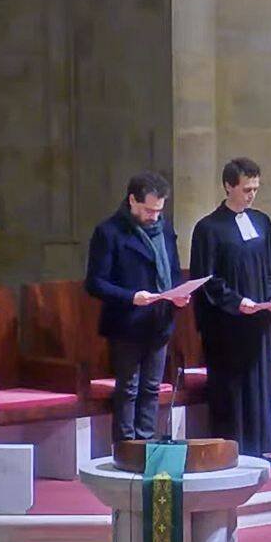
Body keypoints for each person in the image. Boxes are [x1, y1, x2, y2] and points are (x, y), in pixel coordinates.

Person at [190, 158, 271, 464]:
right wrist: (236, 302)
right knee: (232, 389)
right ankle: (230, 450)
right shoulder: (209, 228)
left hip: (257, 321)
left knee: (259, 386)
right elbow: (206, 279)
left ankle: (258, 449)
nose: (251, 195)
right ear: (228, 186)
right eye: (246, 189)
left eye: (255, 189)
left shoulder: (261, 222)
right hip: (226, 325)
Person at [85, 172, 188, 442]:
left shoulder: (165, 229)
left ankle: (147, 444)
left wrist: (178, 294)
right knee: (128, 389)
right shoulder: (110, 232)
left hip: (159, 320)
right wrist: (132, 297)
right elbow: (95, 283)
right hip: (127, 323)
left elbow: (173, 271)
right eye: (149, 210)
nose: (154, 216)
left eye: (159, 210)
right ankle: (127, 448)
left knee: (152, 388)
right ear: (132, 200)